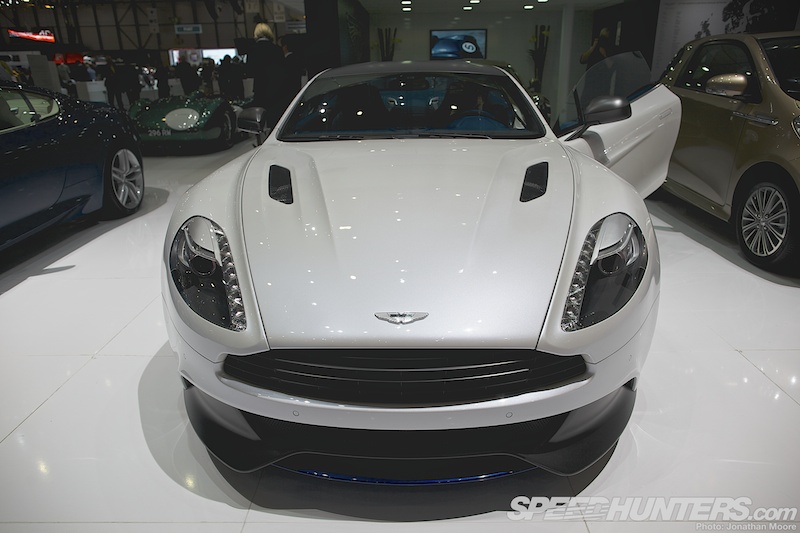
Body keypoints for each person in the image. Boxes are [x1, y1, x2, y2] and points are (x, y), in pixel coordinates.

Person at [247, 22, 290, 127]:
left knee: (259, 118)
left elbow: (249, 71)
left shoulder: (252, 50)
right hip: (277, 89)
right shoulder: (277, 49)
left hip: (260, 88)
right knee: (274, 119)